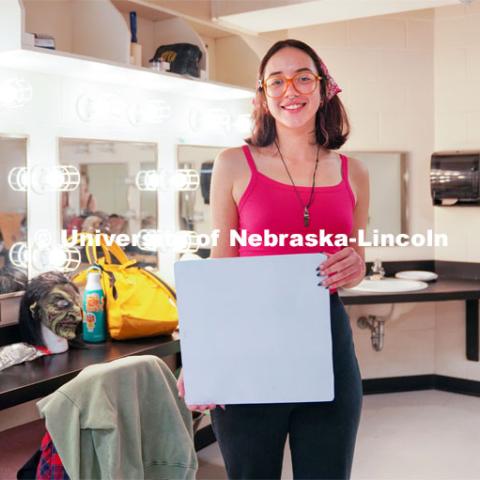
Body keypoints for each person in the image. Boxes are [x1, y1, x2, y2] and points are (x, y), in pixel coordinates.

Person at [177, 38, 369, 479]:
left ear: (324, 88)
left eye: (303, 77)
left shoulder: (354, 172)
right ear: (262, 95)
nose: (290, 90)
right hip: (248, 344)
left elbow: (353, 260)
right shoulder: (233, 164)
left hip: (328, 345)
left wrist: (355, 267)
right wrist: (204, 359)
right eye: (276, 81)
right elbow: (220, 264)